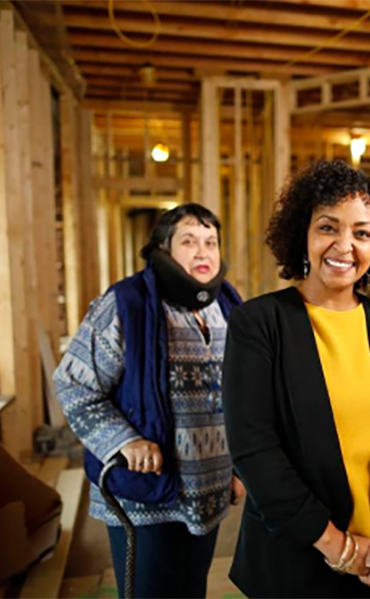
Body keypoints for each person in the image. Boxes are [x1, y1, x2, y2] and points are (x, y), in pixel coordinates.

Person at [222, 160, 370, 599]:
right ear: (304, 233)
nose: (344, 245)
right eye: (328, 228)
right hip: (295, 564)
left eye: (362, 232)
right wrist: (338, 547)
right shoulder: (259, 323)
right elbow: (254, 450)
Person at [54, 204, 245, 599]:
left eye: (211, 242)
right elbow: (74, 384)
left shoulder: (228, 304)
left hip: (207, 495)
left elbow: (245, 398)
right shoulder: (127, 305)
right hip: (144, 496)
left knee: (191, 592)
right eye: (189, 242)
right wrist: (124, 441)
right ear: (162, 250)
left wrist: (240, 468)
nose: (203, 252)